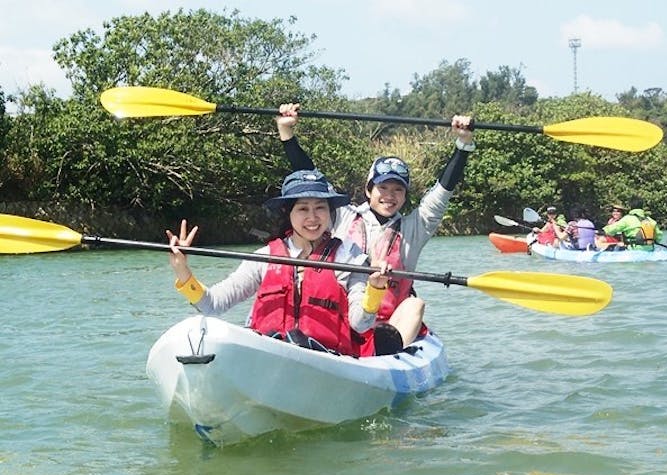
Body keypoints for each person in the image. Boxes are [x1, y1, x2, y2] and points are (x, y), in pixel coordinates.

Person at [275, 103, 475, 356]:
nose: (390, 196)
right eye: (383, 188)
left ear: (405, 195)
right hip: (340, 315)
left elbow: (443, 191)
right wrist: (287, 134)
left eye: (398, 190)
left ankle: (383, 354)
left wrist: (463, 144)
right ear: (369, 190)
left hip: (387, 327)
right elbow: (309, 177)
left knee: (415, 304)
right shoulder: (342, 216)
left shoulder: (416, 227)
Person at [166, 169, 391, 356]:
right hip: (270, 356)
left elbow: (360, 324)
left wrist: (376, 287)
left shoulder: (350, 259)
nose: (313, 218)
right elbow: (212, 305)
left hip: (327, 361)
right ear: (288, 212)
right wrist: (183, 272)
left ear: (330, 212)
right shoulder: (264, 258)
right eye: (303, 208)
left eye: (320, 208)